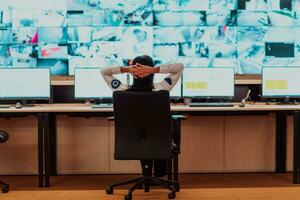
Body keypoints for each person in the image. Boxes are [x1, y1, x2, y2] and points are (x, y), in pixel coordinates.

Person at [101, 55, 183, 177]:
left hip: (131, 140)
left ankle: (147, 176)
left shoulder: (121, 90)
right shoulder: (162, 88)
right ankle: (158, 174)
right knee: (155, 132)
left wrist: (126, 69)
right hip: (159, 140)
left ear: (133, 72)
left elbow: (104, 71)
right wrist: (154, 69)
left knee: (142, 132)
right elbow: (180, 67)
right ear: (152, 72)